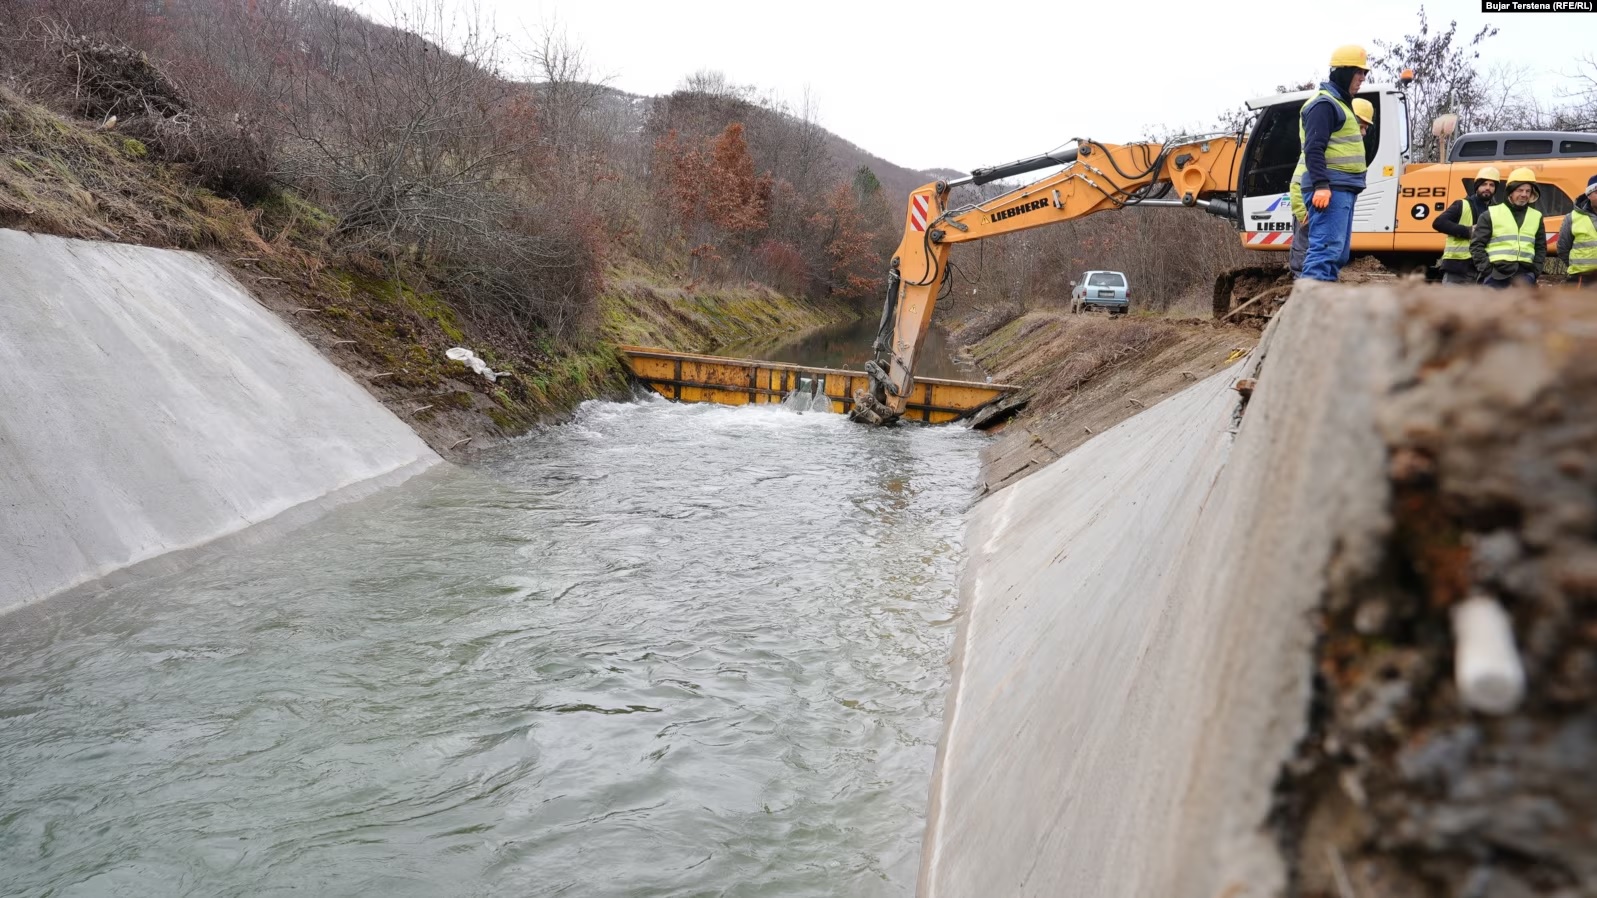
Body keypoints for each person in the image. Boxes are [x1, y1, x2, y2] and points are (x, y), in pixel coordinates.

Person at [1299, 45, 1370, 282]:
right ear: (1342, 72)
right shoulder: (1324, 104)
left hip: (1341, 188)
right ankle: (1309, 312)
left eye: (1364, 73)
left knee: (1337, 254)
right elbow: (1313, 148)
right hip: (1331, 188)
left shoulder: (1340, 105)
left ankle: (1320, 308)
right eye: (1357, 72)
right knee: (1325, 252)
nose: (1362, 78)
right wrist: (1321, 185)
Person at [1291, 97, 1374, 277]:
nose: (1363, 132)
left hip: (1316, 203)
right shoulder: (1319, 155)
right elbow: (1297, 182)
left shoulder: (1336, 152)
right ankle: (1305, 294)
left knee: (1328, 254)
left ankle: (1313, 295)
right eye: (1361, 126)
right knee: (1312, 254)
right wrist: (1302, 212)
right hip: (1310, 208)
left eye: (1366, 127)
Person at [1470, 167, 1545, 289]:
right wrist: (1488, 271)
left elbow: (1541, 247)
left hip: (1525, 276)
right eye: (1520, 190)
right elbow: (1476, 245)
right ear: (1510, 191)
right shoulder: (1491, 214)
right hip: (1496, 276)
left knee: (1527, 308)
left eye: (1528, 191)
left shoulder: (1536, 216)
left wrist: (1534, 272)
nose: (1524, 194)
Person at [1432, 166, 1500, 285]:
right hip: (1457, 268)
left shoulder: (1497, 211)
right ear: (1477, 186)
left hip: (1482, 269)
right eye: (1484, 184)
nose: (1488, 188)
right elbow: (1439, 223)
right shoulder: (1461, 205)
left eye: (1492, 185)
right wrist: (1468, 231)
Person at [1556, 174, 1597, 288]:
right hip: (1581, 279)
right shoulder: (1572, 218)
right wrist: (1577, 266)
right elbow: (1562, 248)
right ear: (1588, 194)